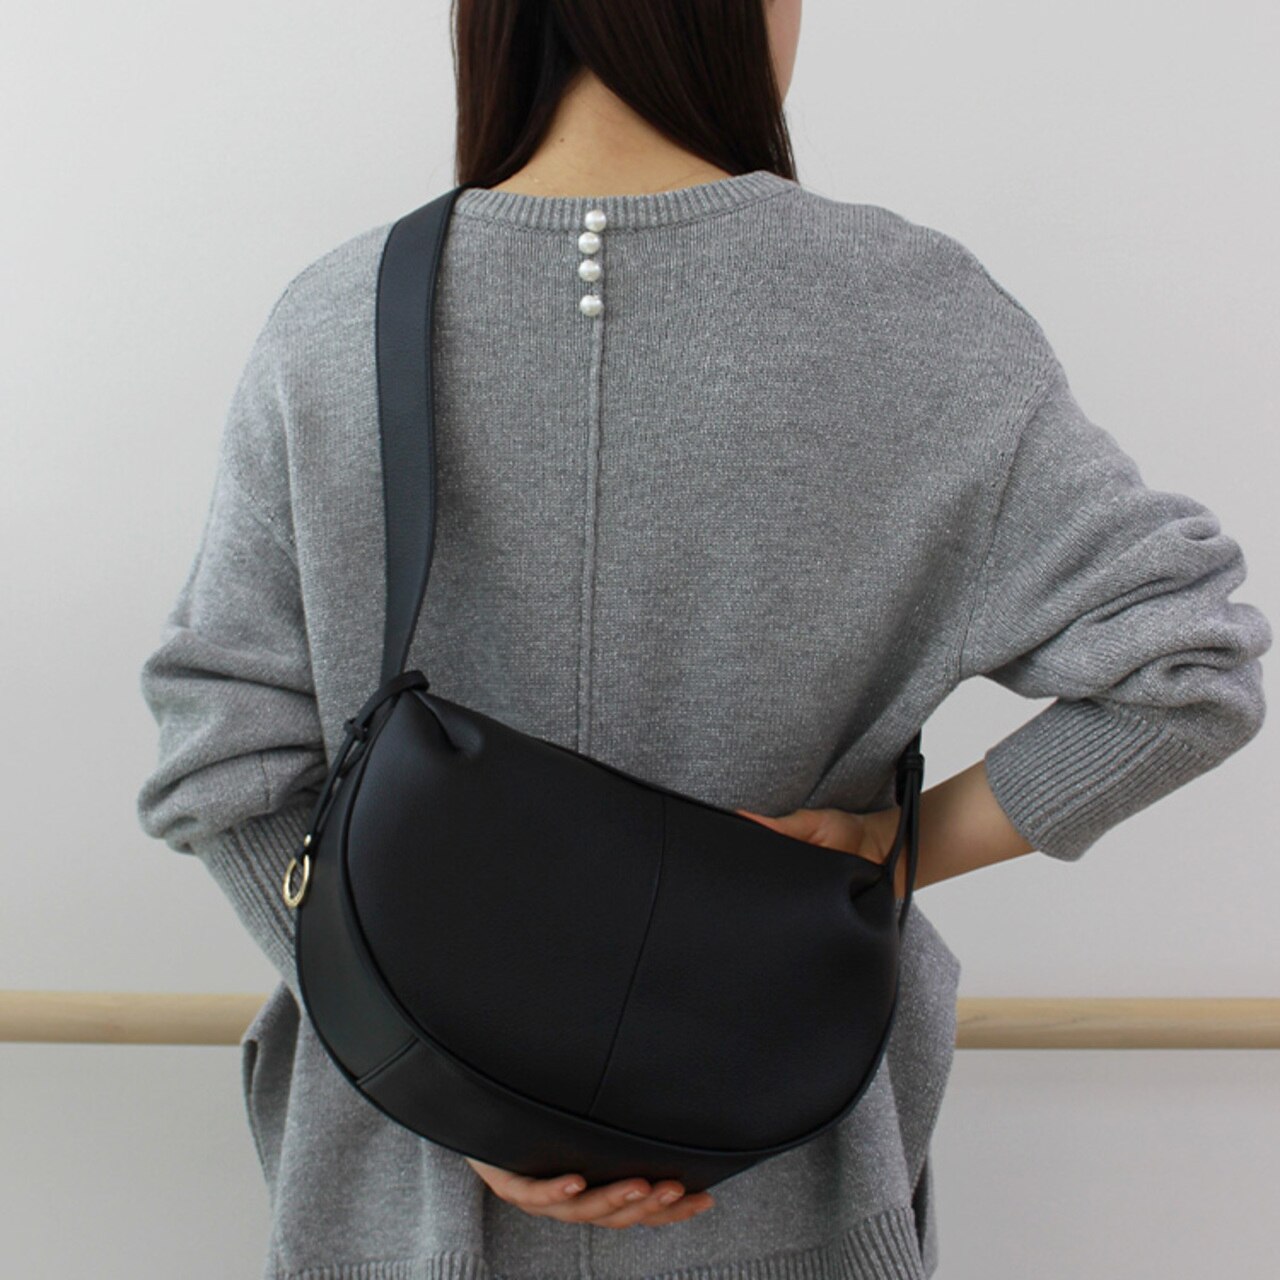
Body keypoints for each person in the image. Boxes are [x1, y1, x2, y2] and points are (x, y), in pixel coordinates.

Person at [134, 2, 1270, 1277]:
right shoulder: (912, 313)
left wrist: (429, 1068)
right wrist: (892, 848)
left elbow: (222, 757)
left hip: (402, 1206)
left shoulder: (335, 320)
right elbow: (1187, 669)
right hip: (780, 1176)